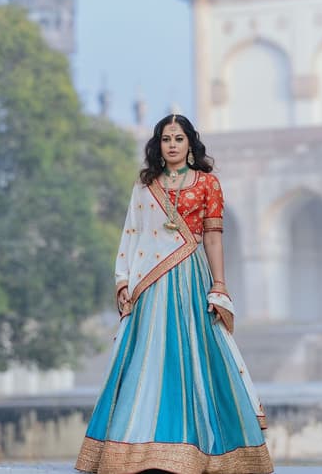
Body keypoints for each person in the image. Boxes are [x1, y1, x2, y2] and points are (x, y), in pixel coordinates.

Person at [75, 114, 273, 474]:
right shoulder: (145, 185)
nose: (172, 145)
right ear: (158, 145)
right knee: (147, 358)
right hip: (151, 284)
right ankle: (135, 448)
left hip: (192, 279)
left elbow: (213, 237)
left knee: (198, 356)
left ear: (190, 144)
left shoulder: (208, 184)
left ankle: (204, 449)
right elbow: (132, 234)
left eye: (178, 139)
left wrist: (219, 284)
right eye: (166, 139)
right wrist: (124, 281)